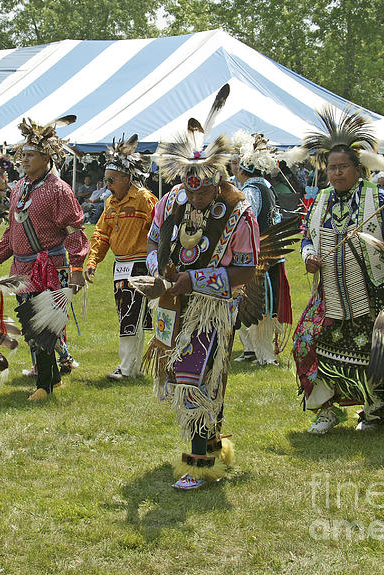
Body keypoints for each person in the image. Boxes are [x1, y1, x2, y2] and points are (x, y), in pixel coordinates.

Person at [140, 84, 257, 490]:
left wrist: (196, 279)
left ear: (219, 179)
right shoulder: (172, 201)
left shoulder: (239, 213)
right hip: (174, 304)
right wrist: (158, 272)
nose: (196, 194)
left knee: (198, 378)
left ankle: (199, 462)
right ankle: (212, 445)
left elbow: (245, 270)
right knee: (181, 378)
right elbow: (154, 239)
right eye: (190, 186)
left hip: (214, 307)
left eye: (204, 188)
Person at [292, 107, 384, 434]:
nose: (335, 173)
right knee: (305, 343)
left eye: (342, 167)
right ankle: (325, 409)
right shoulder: (321, 200)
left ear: (358, 168)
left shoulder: (380, 199)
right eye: (331, 168)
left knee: (375, 353)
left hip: (372, 292)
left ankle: (373, 411)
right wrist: (308, 256)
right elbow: (308, 237)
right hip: (329, 292)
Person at [0, 116, 88, 401]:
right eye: (22, 155)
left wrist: (77, 267)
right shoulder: (19, 188)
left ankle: (44, 386)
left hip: (49, 267)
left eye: (30, 155)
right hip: (21, 266)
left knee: (42, 325)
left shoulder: (58, 190)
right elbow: (12, 228)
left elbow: (74, 230)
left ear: (46, 156)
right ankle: (50, 375)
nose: (24, 160)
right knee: (31, 325)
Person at [84, 135, 155, 379]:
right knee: (126, 314)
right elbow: (101, 235)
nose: (107, 184)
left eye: (111, 180)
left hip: (140, 264)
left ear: (126, 178)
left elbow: (162, 230)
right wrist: (93, 261)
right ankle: (130, 366)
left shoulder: (144, 199)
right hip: (120, 266)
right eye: (105, 180)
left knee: (132, 314)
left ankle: (127, 369)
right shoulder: (111, 204)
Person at [229, 131, 289, 366]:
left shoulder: (252, 189)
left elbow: (247, 219)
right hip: (266, 253)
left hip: (258, 254)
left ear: (244, 171)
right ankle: (256, 350)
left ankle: (265, 355)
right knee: (255, 303)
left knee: (258, 304)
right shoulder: (264, 185)